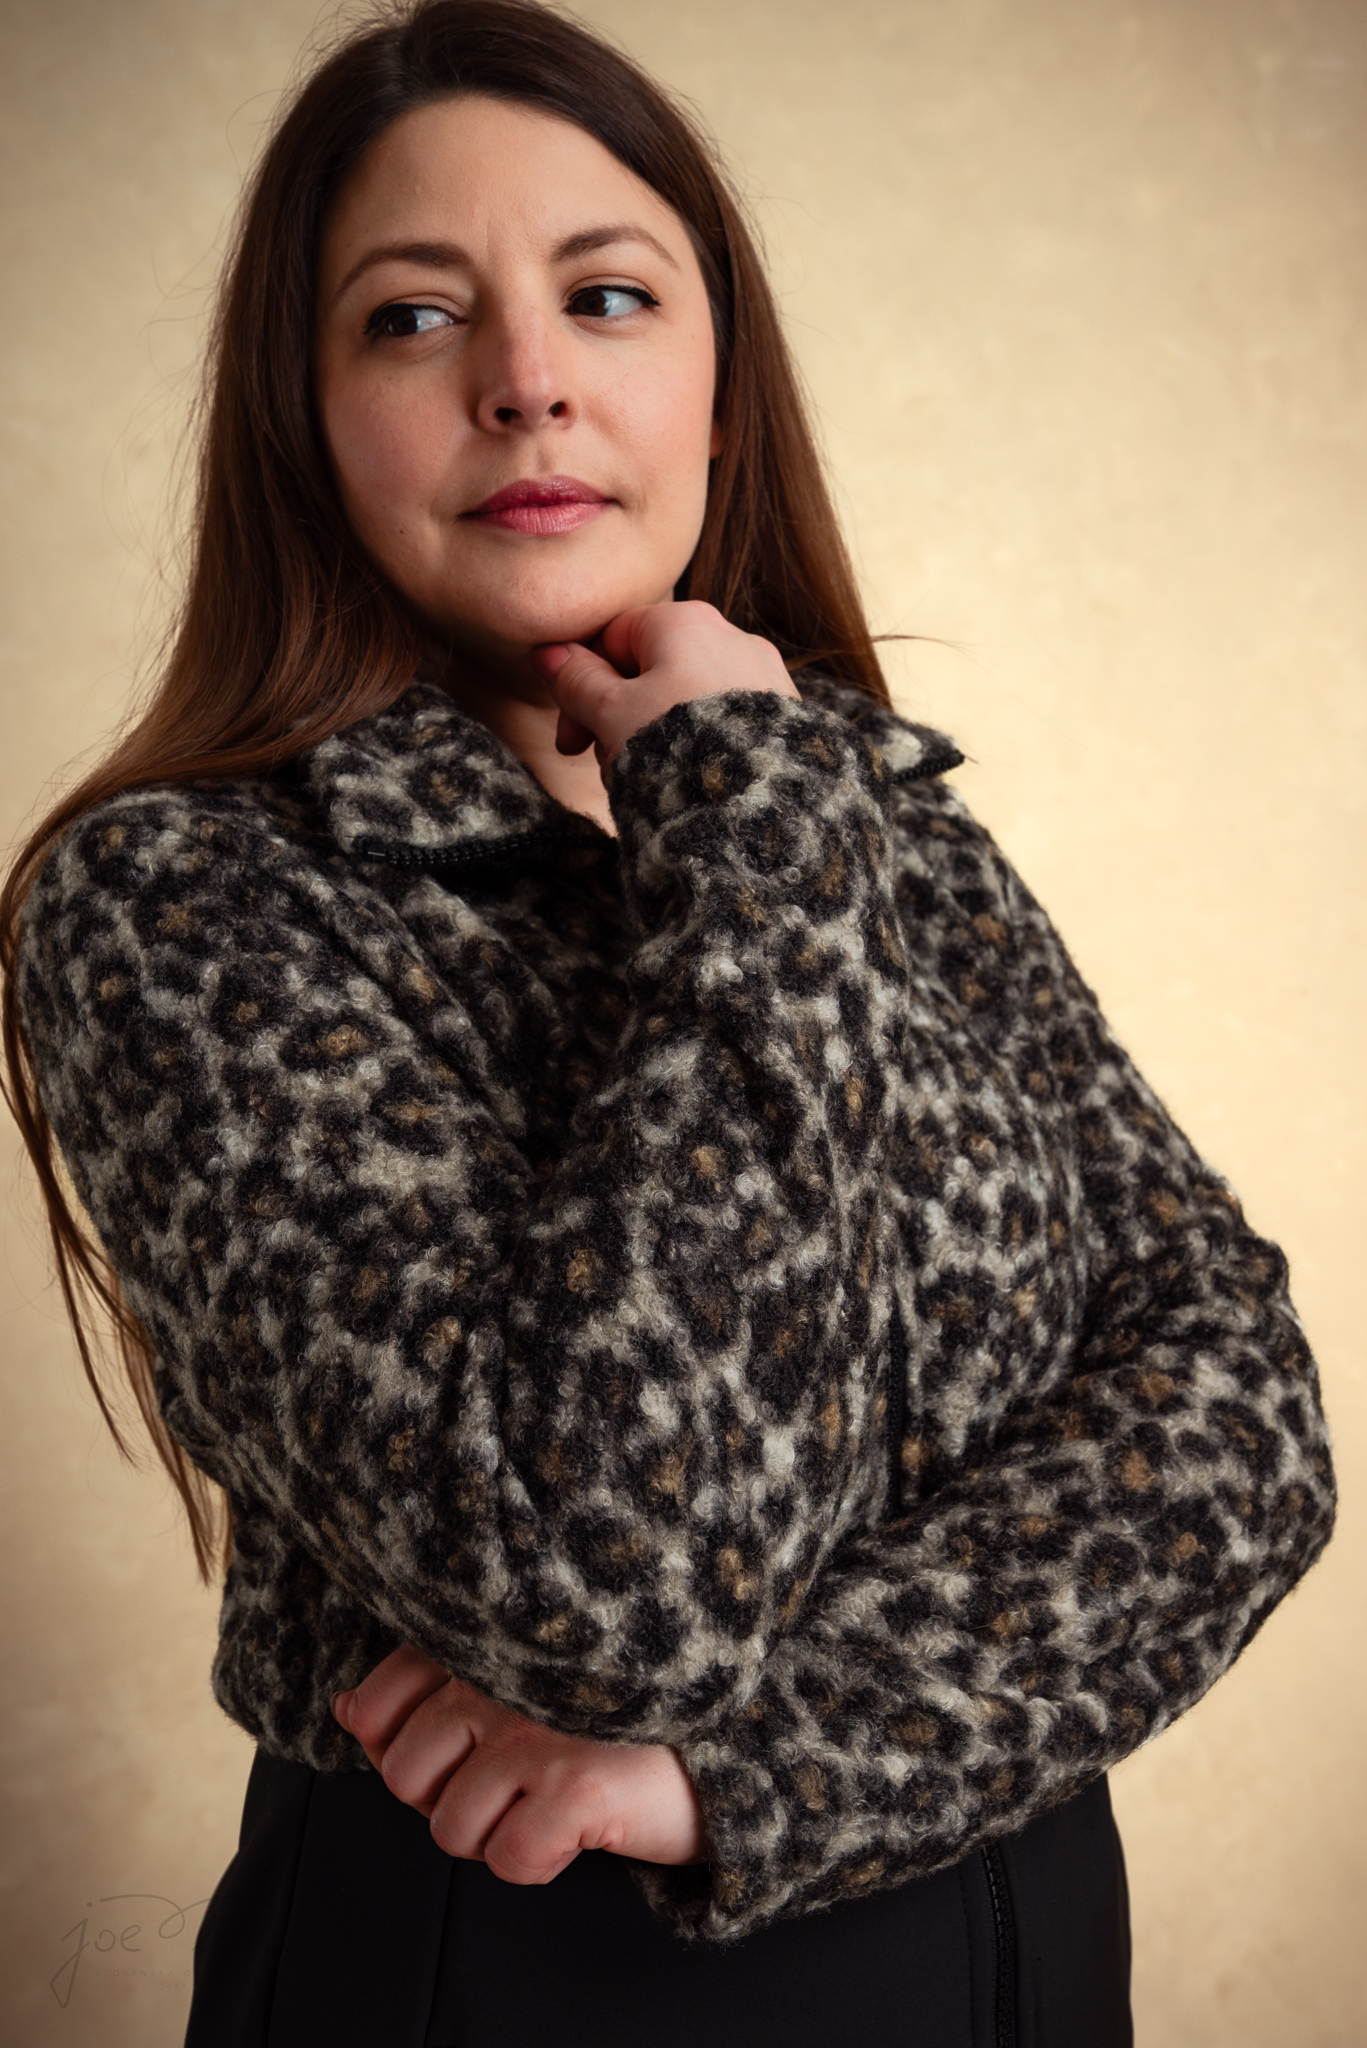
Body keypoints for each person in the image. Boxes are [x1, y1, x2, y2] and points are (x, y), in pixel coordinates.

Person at [0, 3, 1335, 2044]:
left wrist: (755, 1762)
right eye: (411, 319)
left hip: (1027, 1955)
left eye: (607, 296)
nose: (528, 379)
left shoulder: (879, 826)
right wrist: (746, 827)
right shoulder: (188, 899)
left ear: (718, 399)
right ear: (306, 424)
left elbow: (1243, 1417)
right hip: (512, 1968)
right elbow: (605, 1582)